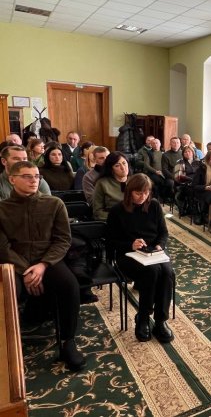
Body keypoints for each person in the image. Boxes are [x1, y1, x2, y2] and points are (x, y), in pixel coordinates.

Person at [0, 161, 85, 371]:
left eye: (37, 176)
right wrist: (25, 271)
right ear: (12, 179)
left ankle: (67, 341)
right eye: (27, 176)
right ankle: (8, 346)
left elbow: (62, 240)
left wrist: (42, 265)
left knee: (70, 286)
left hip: (47, 260)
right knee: (8, 293)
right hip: (15, 263)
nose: (34, 180)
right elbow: (3, 248)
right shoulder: (2, 209)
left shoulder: (54, 203)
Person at [107, 173, 175, 343]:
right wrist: (130, 244)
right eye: (138, 193)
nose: (143, 196)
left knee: (168, 272)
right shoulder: (117, 211)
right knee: (152, 271)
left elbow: (163, 233)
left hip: (152, 251)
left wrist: (160, 245)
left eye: (146, 193)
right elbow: (110, 241)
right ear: (129, 192)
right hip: (127, 254)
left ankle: (160, 320)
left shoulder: (154, 206)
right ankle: (143, 317)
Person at [92, 152, 129, 221]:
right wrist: (118, 217)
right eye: (117, 165)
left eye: (124, 163)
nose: (123, 168)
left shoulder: (136, 180)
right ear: (111, 169)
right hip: (113, 221)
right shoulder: (102, 183)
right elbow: (97, 212)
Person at [191, 151, 211, 226]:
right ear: (207, 159)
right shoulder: (201, 169)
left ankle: (209, 215)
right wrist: (205, 187)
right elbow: (194, 185)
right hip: (201, 191)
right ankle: (204, 213)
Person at [173, 146, 201, 216]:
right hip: (184, 184)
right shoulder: (180, 162)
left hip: (197, 183)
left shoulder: (198, 162)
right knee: (191, 190)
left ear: (193, 153)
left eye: (189, 151)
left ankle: (200, 210)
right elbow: (178, 177)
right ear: (183, 154)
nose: (187, 153)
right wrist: (191, 180)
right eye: (185, 152)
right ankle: (193, 209)